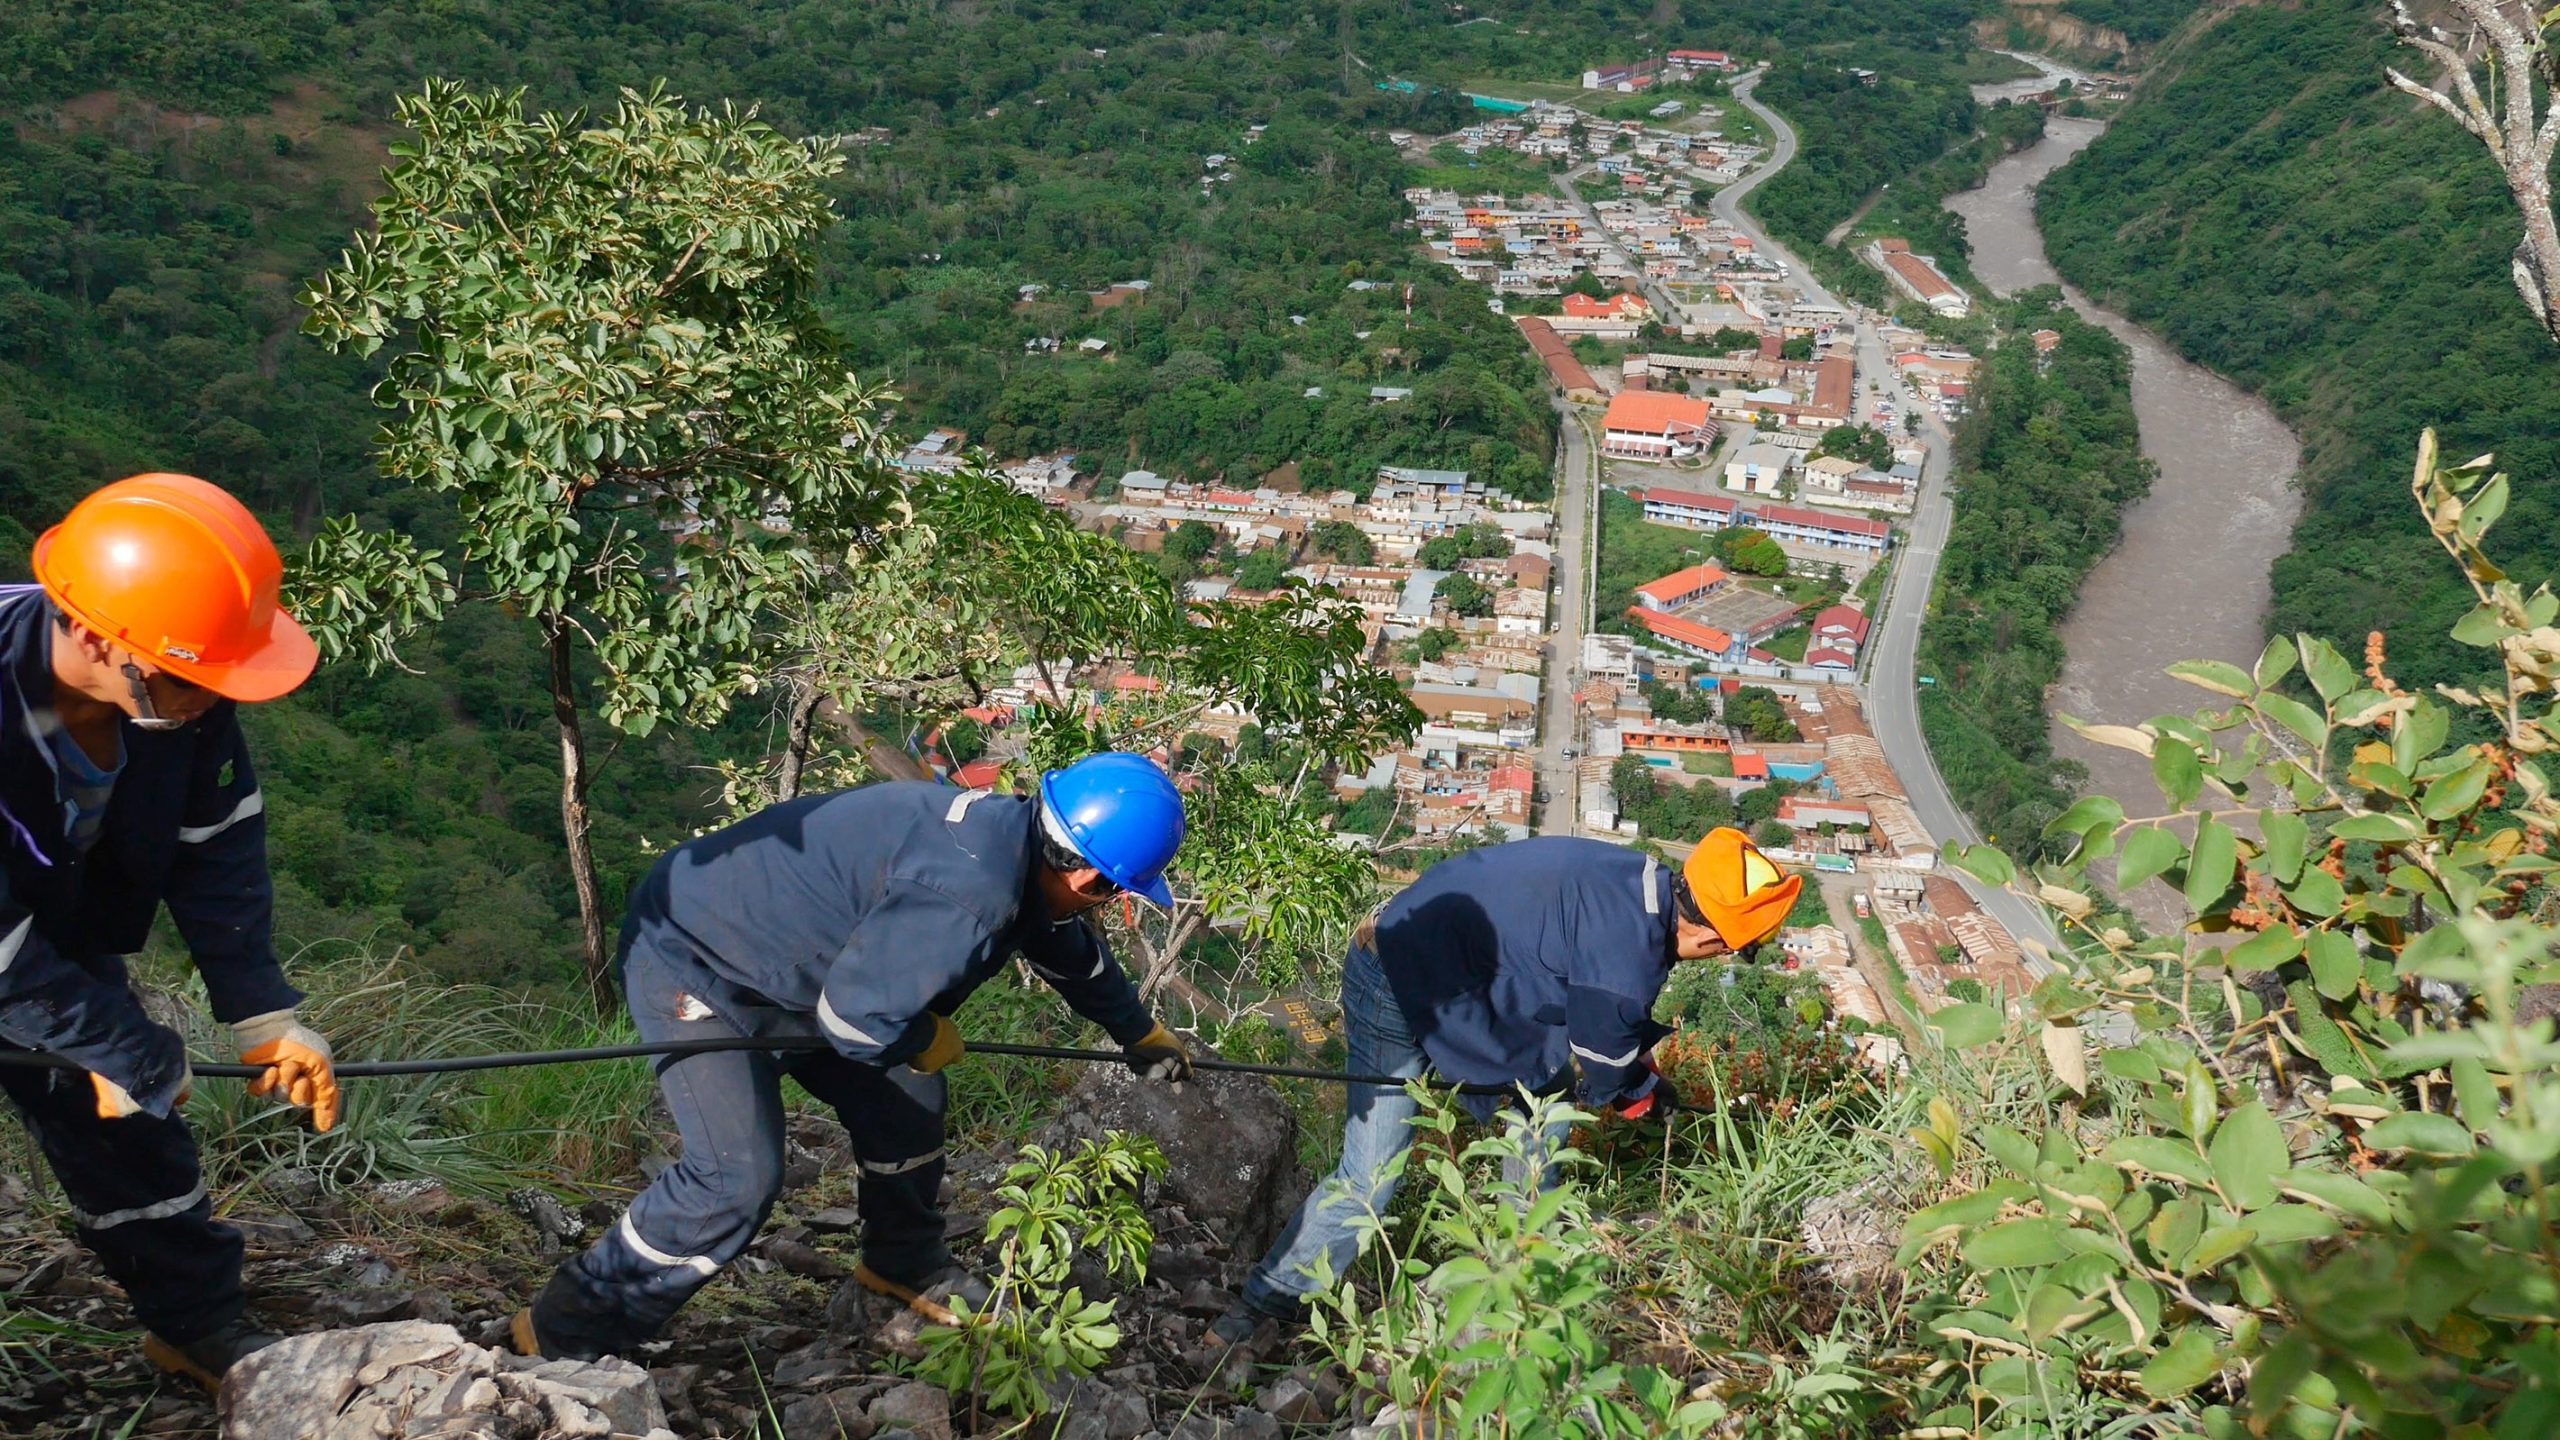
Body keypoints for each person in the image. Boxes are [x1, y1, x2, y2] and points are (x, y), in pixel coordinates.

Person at [514, 752, 1199, 1361]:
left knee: (908, 1100)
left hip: (799, 968)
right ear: (1087, 878)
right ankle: (563, 1331)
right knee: (733, 1179)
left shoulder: (1014, 844)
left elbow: (1065, 949)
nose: (1107, 907)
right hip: (698, 959)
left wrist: (1136, 1033)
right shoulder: (971, 890)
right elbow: (857, 1021)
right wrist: (920, 1038)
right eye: (1115, 891)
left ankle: (904, 1264)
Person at [1204, 828, 1802, 1353]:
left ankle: (1518, 1264)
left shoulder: (1640, 882)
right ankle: (1261, 1307)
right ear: (1713, 937)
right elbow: (1606, 1060)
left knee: (1545, 1104)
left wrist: (1632, 1062)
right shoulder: (1632, 948)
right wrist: (1639, 1089)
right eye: (1740, 947)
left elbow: (1598, 999)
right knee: (1371, 1179)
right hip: (1395, 981)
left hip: (1447, 968)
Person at [0, 474, 339, 1388]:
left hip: (49, 928)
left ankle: (194, 1325)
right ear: (88, 631)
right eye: (188, 680)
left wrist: (262, 1013)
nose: (203, 703)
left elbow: (215, 844)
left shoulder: (178, 685)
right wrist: (128, 1048)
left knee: (127, 1133)